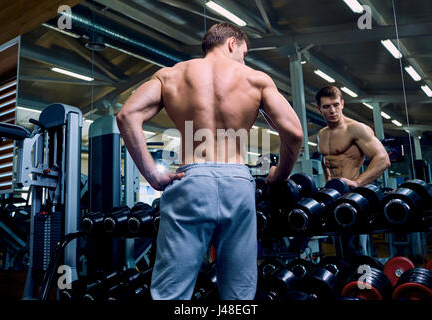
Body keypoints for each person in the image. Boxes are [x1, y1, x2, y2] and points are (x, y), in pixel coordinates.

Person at [116, 22, 303, 300]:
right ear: (231, 43)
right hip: (238, 183)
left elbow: (126, 115)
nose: (243, 59)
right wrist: (281, 175)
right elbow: (295, 133)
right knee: (239, 293)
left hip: (191, 182)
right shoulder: (256, 79)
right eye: (244, 52)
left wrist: (153, 176)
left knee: (170, 292)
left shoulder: (170, 76)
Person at [315, 86, 391, 258]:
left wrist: (357, 183)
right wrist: (327, 186)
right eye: (326, 107)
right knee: (341, 251)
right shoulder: (322, 134)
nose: (332, 110)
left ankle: (365, 283)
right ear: (319, 109)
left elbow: (383, 159)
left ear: (342, 103)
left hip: (354, 198)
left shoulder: (356, 129)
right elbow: (326, 162)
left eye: (335, 105)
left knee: (359, 253)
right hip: (333, 199)